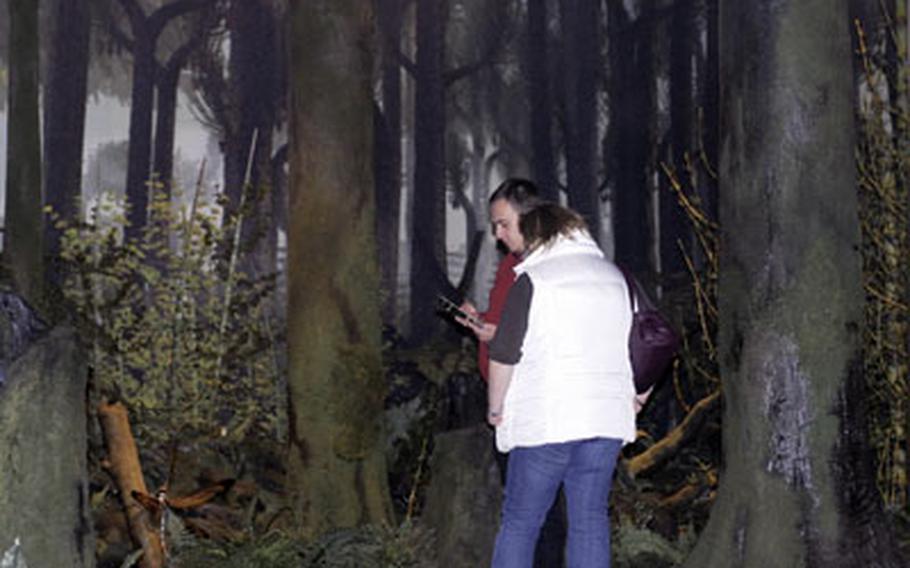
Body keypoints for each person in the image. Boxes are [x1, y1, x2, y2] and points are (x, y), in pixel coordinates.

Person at [486, 203, 637, 568]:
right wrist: (636, 395)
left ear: (539, 236)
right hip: (603, 423)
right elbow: (640, 344)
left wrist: (496, 408)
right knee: (589, 523)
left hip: (547, 422)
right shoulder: (614, 277)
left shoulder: (534, 280)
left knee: (521, 524)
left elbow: (503, 354)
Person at [457, 179, 566, 568]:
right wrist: (480, 322)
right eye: (495, 226)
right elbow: (504, 323)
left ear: (530, 216)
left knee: (538, 515)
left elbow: (543, 337)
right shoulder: (510, 265)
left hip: (531, 405)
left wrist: (495, 334)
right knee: (522, 510)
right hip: (506, 406)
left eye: (504, 224)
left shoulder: (547, 268)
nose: (498, 235)